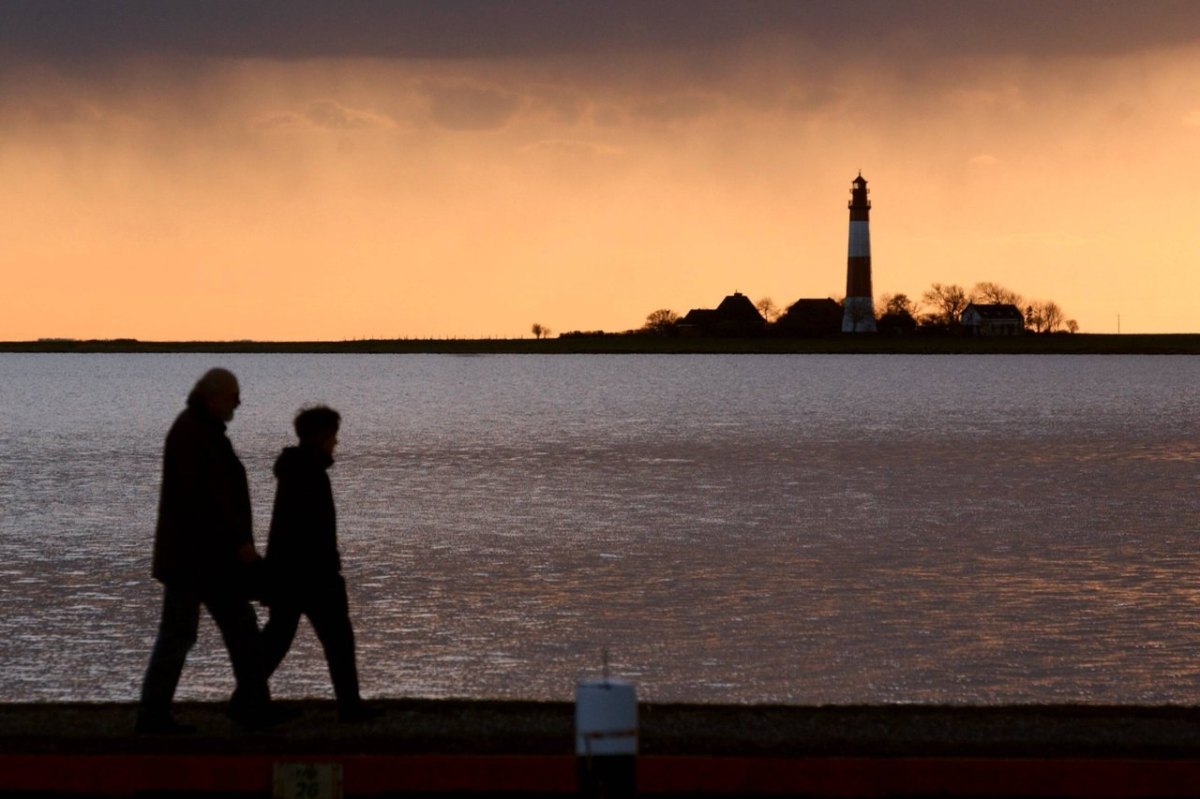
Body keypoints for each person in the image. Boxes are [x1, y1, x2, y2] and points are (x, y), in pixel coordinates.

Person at [136, 368, 293, 733]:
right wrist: (241, 544)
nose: (239, 402)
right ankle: (156, 717)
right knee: (194, 634)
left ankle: (247, 707)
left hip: (196, 558)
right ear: (213, 398)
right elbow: (212, 499)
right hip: (200, 560)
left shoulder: (196, 429)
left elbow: (212, 497)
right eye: (233, 395)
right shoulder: (197, 434)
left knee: (229, 630)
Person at [261, 406, 378, 722]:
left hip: (290, 573)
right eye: (332, 436)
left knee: (277, 639)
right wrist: (329, 570)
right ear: (322, 436)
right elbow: (310, 530)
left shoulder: (297, 470)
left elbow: (285, 529)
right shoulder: (309, 473)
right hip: (312, 575)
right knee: (337, 639)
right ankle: (350, 708)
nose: (335, 442)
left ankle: (246, 698)